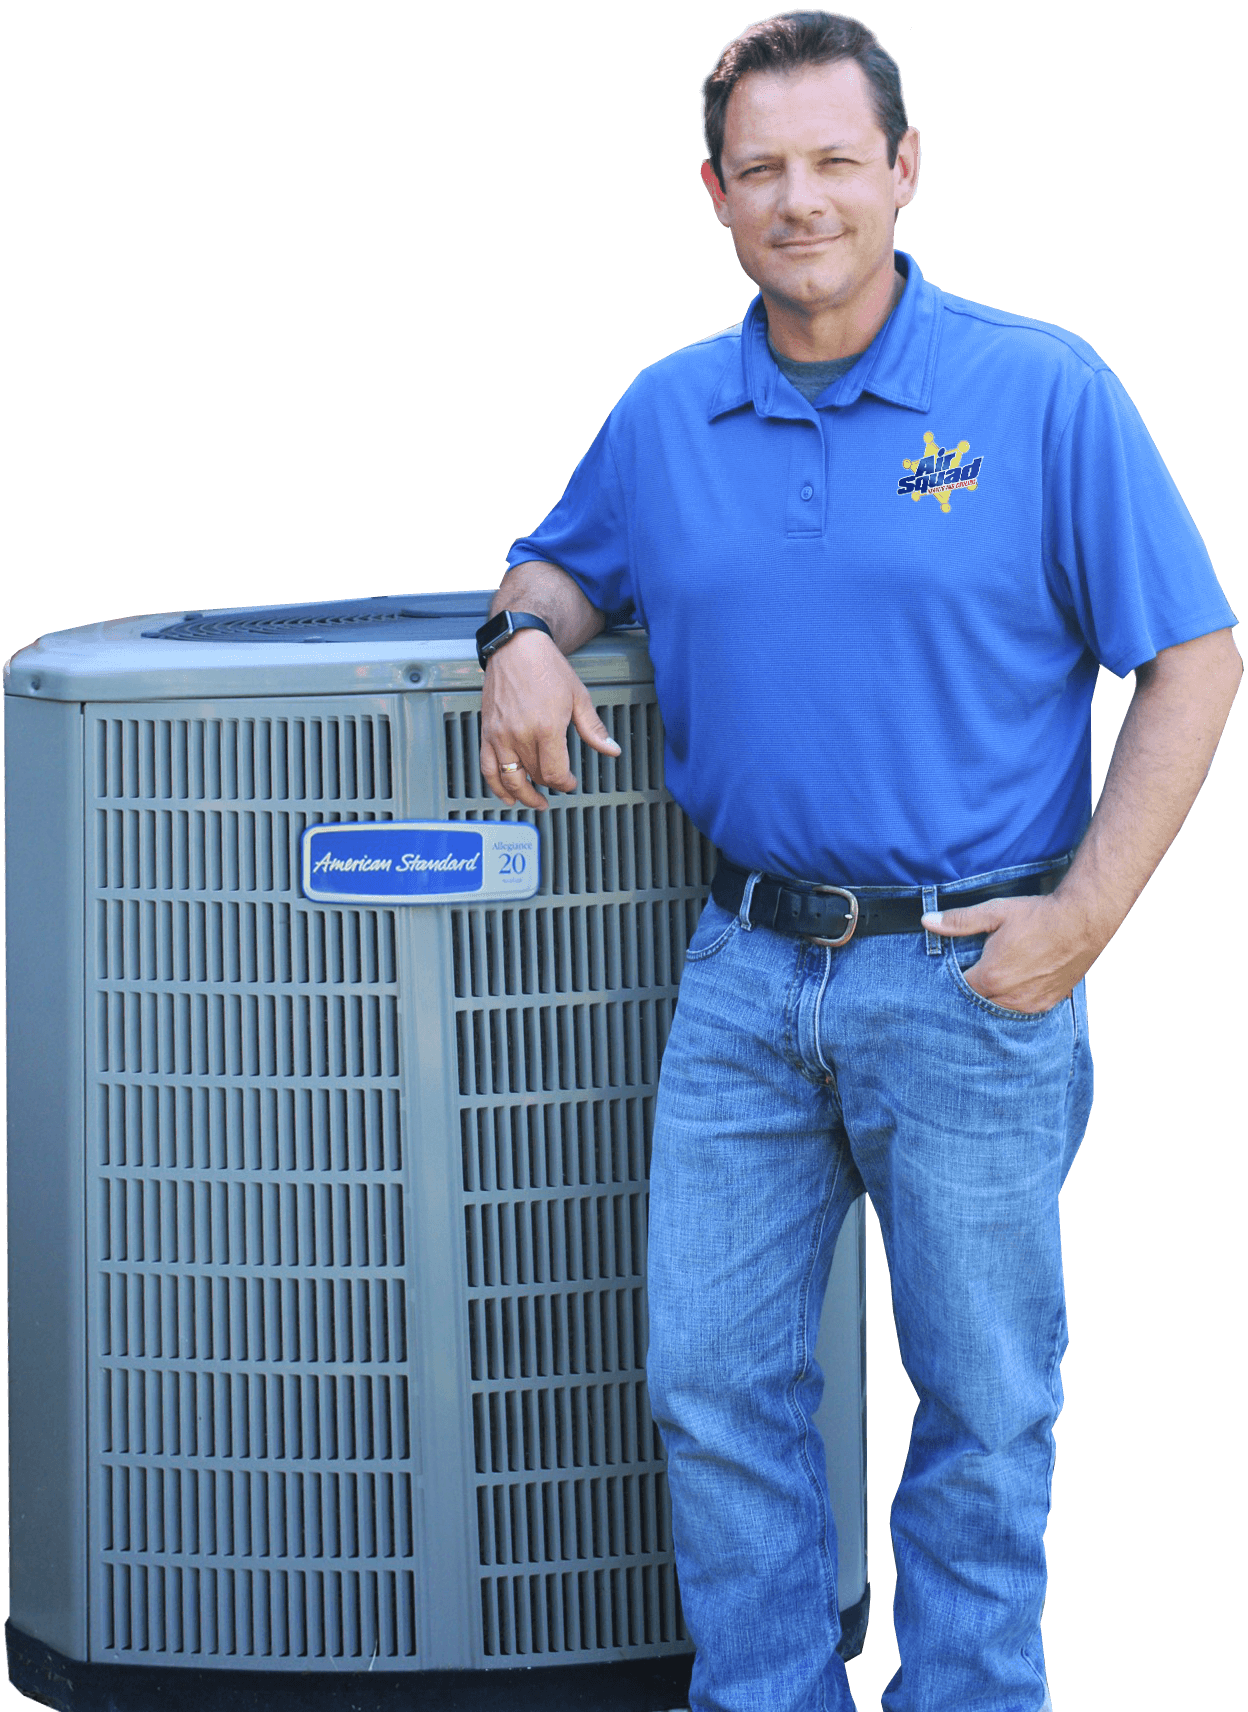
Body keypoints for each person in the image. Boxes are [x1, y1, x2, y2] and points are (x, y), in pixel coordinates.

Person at [476, 11, 1240, 1710]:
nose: (799, 198)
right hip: (743, 976)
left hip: (972, 971)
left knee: (982, 1399)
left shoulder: (1041, 390)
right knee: (711, 1382)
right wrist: (513, 640)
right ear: (713, 193)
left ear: (904, 170)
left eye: (836, 161)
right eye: (763, 169)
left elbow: (1193, 657)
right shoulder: (669, 413)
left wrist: (1084, 921)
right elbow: (553, 566)